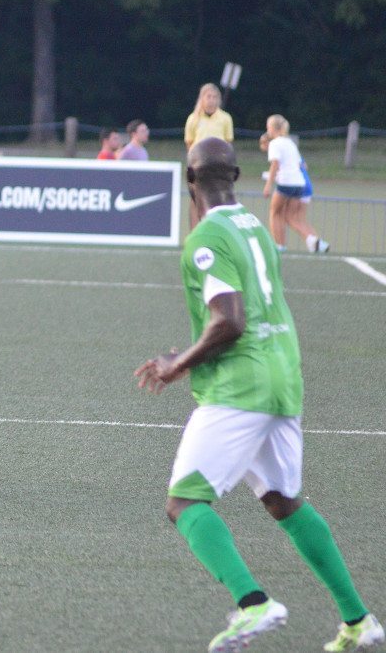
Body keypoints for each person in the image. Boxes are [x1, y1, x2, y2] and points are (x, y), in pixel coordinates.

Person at [134, 137, 382, 653]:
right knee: (282, 501)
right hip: (283, 378)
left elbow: (229, 320)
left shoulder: (205, 237)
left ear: (189, 180)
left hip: (240, 387)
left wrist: (176, 365)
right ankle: (359, 621)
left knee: (184, 503)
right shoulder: (254, 229)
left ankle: (253, 604)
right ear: (238, 177)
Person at [262, 116, 329, 254]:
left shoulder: (275, 143)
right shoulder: (290, 143)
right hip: (299, 183)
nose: (267, 129)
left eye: (268, 126)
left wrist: (268, 185)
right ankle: (314, 241)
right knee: (291, 216)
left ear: (274, 128)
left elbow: (275, 164)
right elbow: (302, 164)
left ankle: (280, 246)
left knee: (275, 212)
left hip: (286, 183)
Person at [184, 83, 234, 229]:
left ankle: (216, 231)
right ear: (202, 99)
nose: (212, 100)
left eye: (215, 97)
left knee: (219, 200)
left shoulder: (225, 118)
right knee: (195, 200)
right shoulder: (193, 118)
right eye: (208, 97)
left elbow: (228, 143)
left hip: (218, 166)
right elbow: (190, 143)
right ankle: (194, 233)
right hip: (199, 166)